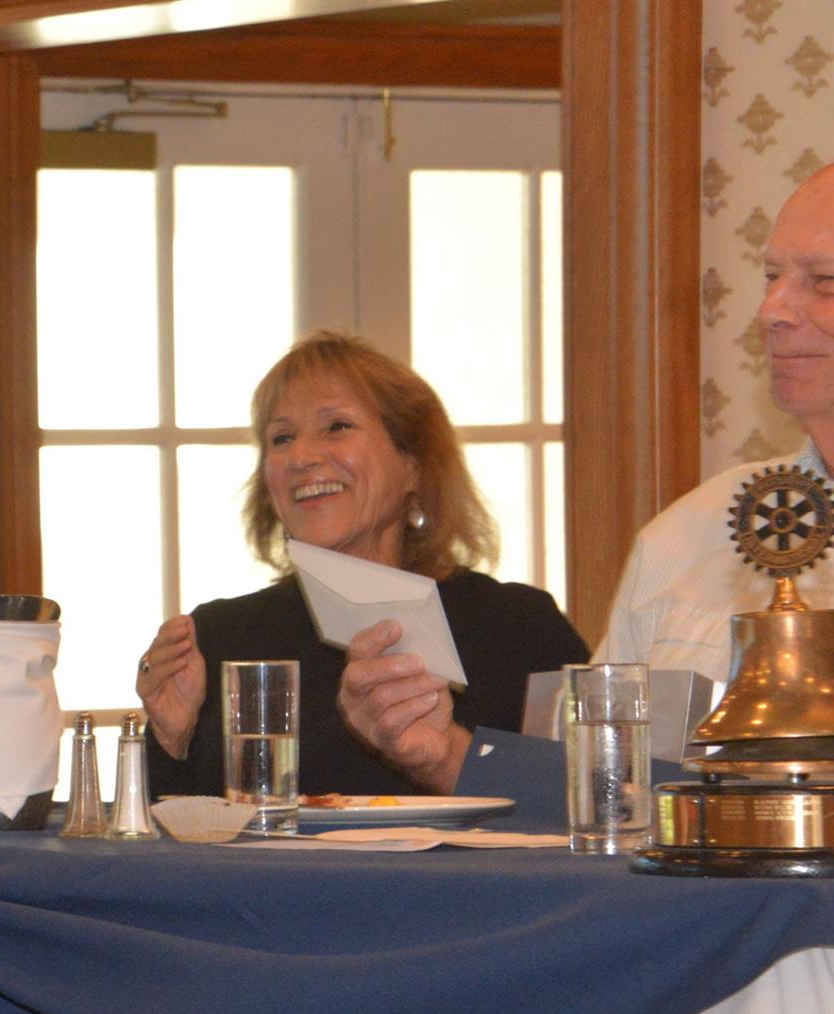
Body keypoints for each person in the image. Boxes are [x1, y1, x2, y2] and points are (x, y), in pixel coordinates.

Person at [137, 331, 588, 798]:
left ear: (413, 465)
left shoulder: (521, 627)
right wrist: (171, 743)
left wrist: (448, 756)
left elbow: (595, 806)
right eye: (282, 437)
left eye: (336, 427)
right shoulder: (220, 637)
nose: (301, 457)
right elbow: (166, 832)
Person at [598, 163, 834, 680]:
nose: (771, 311)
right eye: (771, 277)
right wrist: (447, 735)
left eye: (825, 282)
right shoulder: (691, 532)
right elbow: (596, 731)